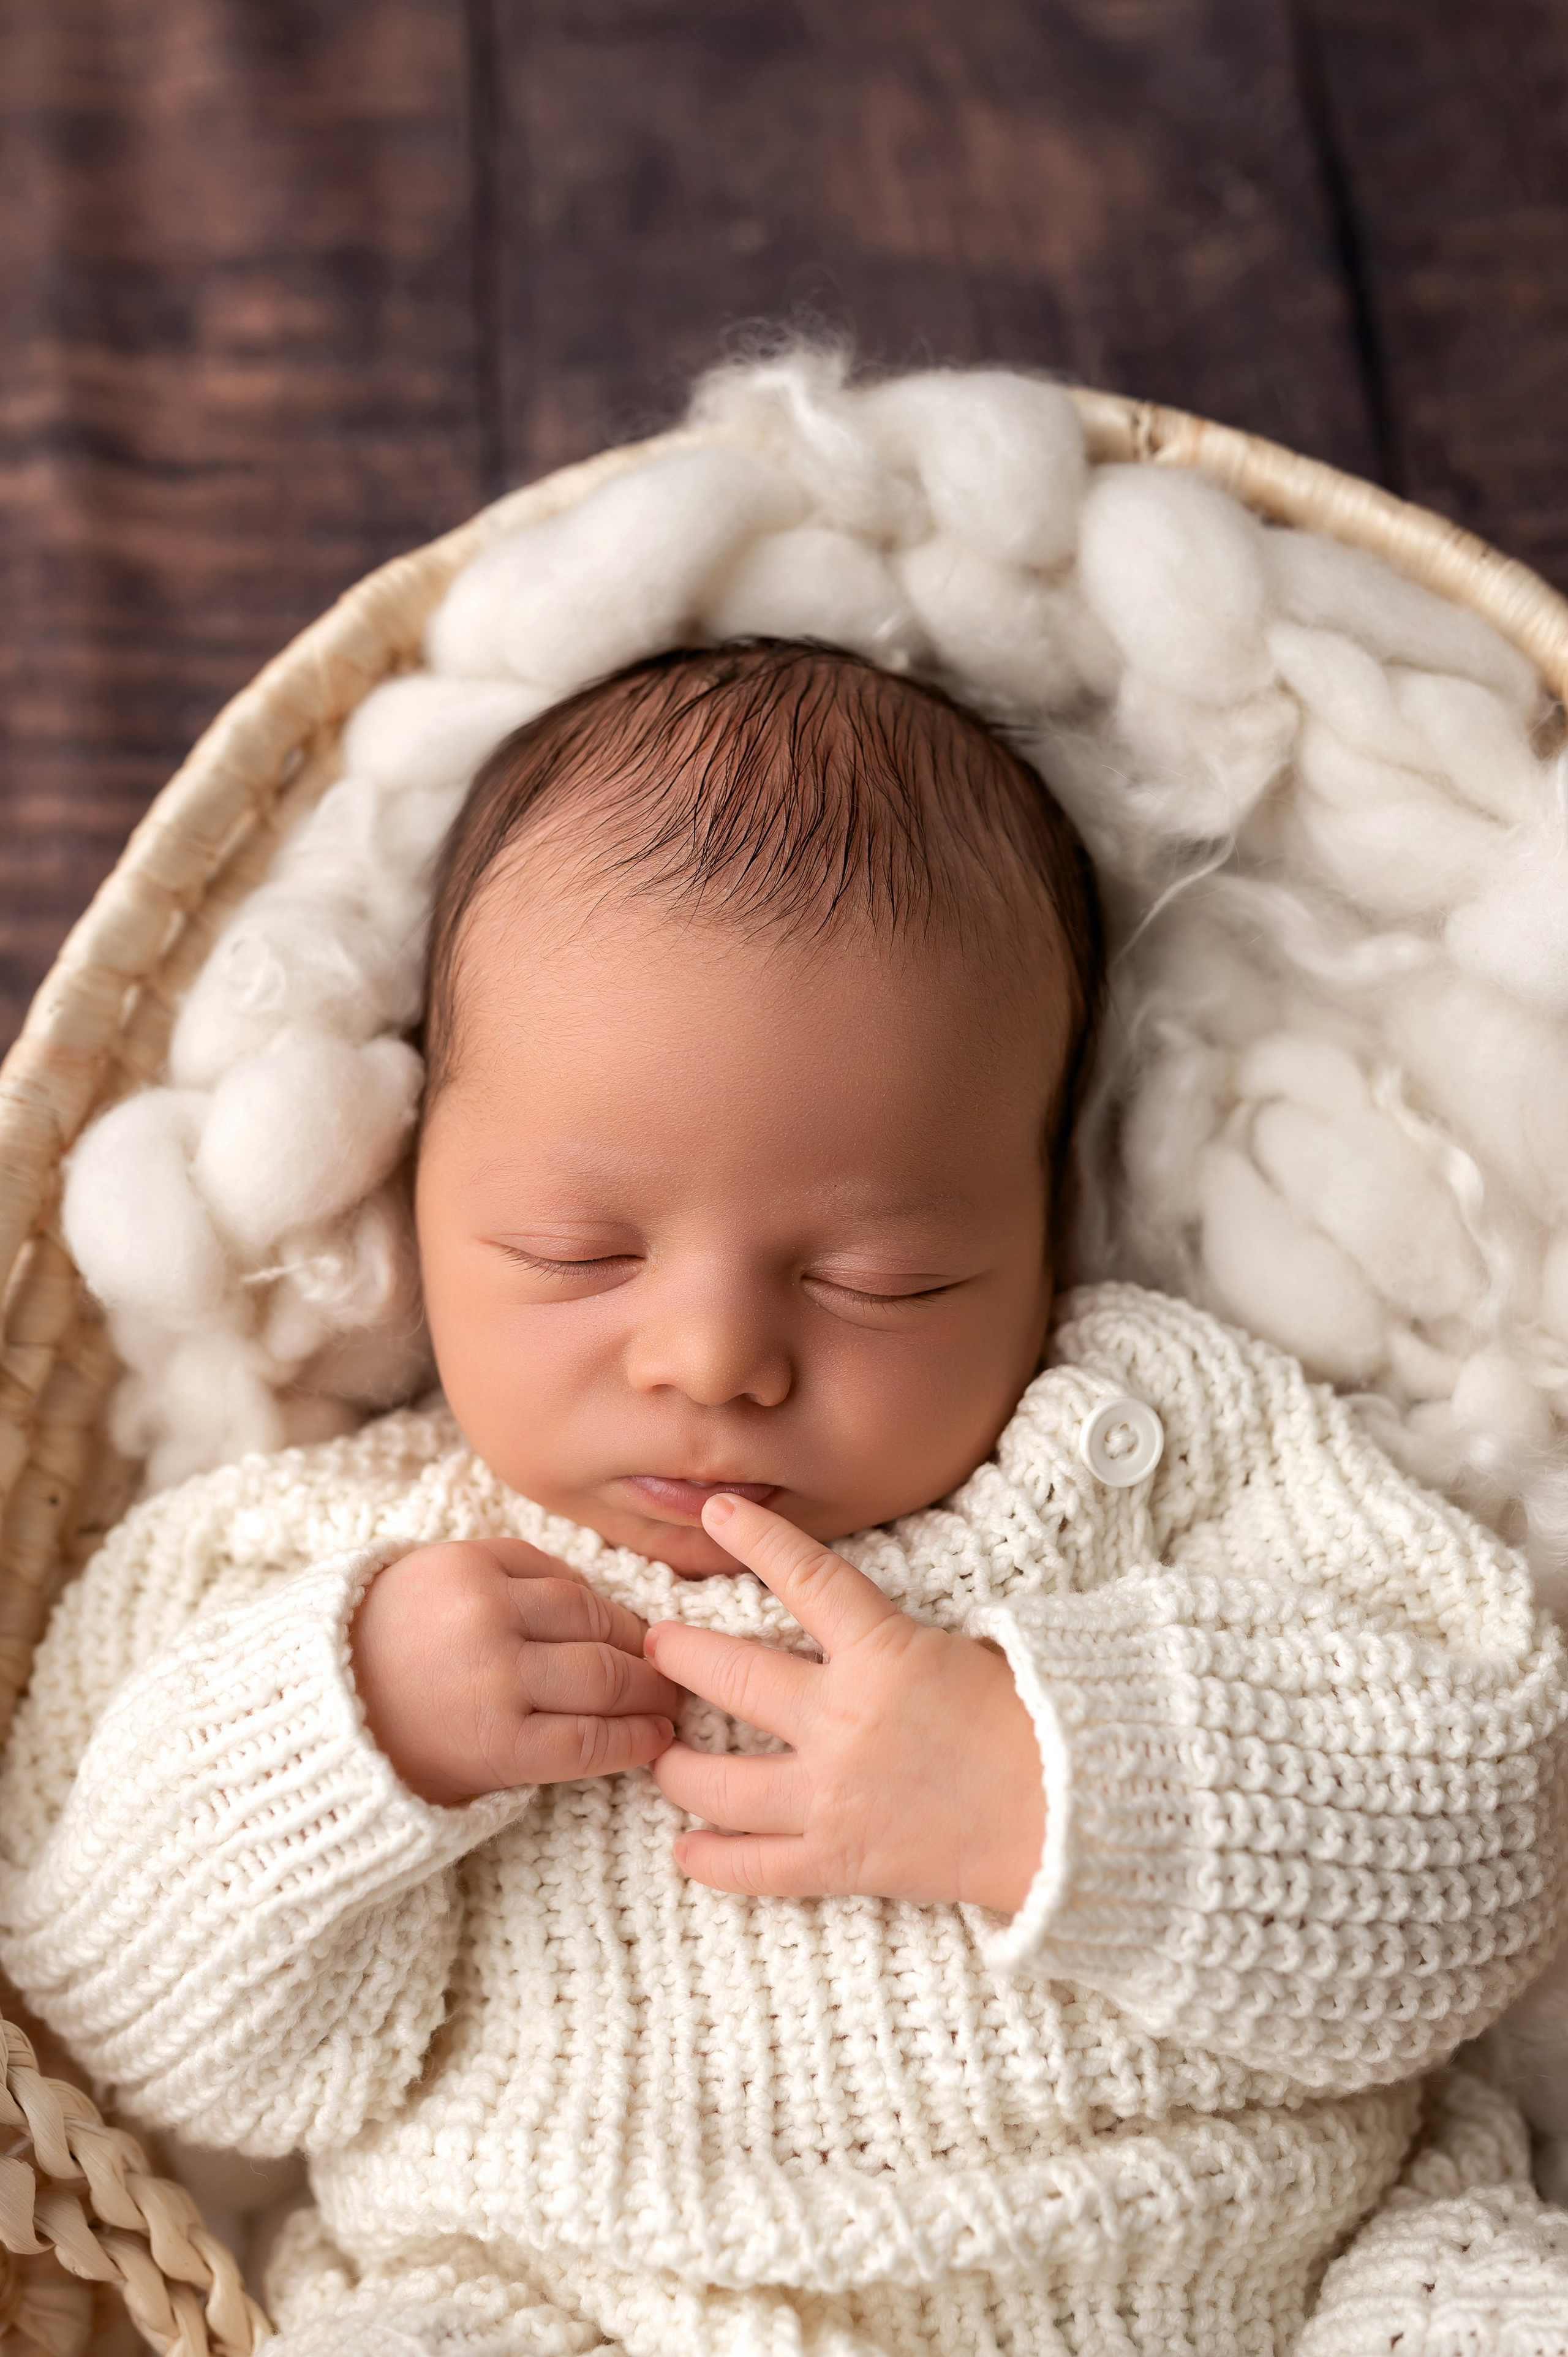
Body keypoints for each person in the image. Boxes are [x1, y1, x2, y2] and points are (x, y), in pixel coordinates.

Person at [4, 641, 1567, 2357]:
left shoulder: (1157, 1450)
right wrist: (344, 1730)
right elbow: (119, 2019)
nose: (711, 1357)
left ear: (1046, 1227)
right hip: (571, 2309)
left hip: (1252, 2295)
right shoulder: (338, 1553)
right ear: (413, 1189)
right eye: (579, 1252)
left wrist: (1046, 1784)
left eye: (876, 1278)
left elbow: (1497, 1850)